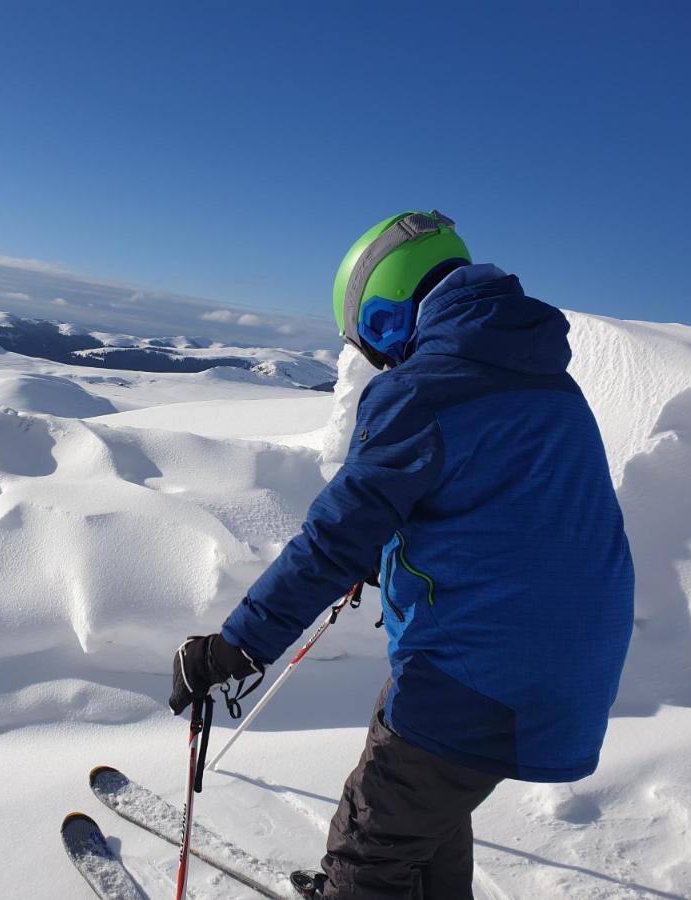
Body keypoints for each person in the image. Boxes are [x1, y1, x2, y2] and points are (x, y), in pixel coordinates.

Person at [169, 211, 635, 899]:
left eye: (376, 345)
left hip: (480, 670)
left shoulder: (425, 387)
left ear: (388, 317)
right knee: (429, 807)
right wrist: (385, 550)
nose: (384, 363)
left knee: (374, 842)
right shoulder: (543, 379)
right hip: (565, 667)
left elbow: (333, 536)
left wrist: (233, 648)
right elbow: (502, 512)